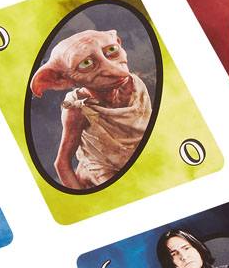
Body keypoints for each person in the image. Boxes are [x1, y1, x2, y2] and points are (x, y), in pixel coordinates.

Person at [29, 28, 151, 189]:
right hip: (104, 175)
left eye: (112, 50)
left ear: (118, 43)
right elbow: (62, 163)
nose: (117, 72)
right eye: (86, 64)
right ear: (59, 79)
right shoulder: (78, 108)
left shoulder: (135, 85)